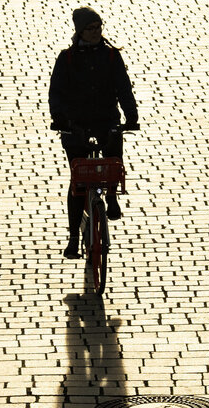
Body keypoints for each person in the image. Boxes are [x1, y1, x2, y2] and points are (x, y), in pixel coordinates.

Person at [49, 6, 139, 259]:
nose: (96, 31)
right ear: (80, 31)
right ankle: (74, 237)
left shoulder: (111, 56)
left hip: (106, 120)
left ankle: (110, 197)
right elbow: (56, 92)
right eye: (90, 28)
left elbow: (123, 87)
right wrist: (60, 119)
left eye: (98, 26)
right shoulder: (66, 58)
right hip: (74, 125)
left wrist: (131, 116)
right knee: (79, 181)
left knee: (113, 159)